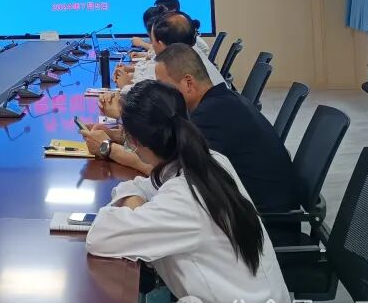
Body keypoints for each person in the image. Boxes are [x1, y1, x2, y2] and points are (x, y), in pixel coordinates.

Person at [85, 80, 304, 303]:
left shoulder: (184, 200)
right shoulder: (212, 160)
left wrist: (136, 212)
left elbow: (100, 236)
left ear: (136, 143)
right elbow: (141, 185)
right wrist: (138, 209)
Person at [87, 44, 301, 215]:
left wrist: (108, 148)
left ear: (188, 82)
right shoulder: (219, 100)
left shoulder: (209, 119)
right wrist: (120, 135)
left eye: (162, 85)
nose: (159, 92)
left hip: (262, 223)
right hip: (245, 211)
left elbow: (164, 172)